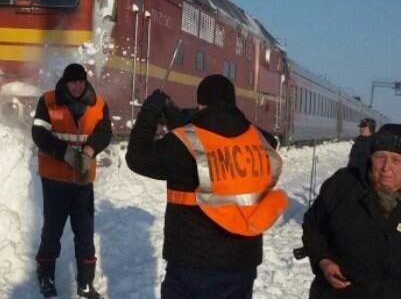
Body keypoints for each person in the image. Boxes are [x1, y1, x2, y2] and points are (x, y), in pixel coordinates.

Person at [126, 74, 286, 299]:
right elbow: (223, 129)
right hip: (243, 263)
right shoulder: (260, 139)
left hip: (192, 262)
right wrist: (187, 117)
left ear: (201, 104)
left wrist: (149, 114)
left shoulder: (181, 143)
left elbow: (137, 158)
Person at [302, 124, 401, 297]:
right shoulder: (343, 185)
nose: (386, 167)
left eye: (396, 160)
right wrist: (323, 260)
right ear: (371, 158)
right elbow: (313, 227)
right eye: (380, 157)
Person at [32, 63, 112, 298]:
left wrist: (88, 151)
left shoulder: (99, 104)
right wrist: (65, 152)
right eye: (73, 82)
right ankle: (46, 275)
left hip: (83, 181)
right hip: (55, 180)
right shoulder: (48, 101)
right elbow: (39, 133)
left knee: (85, 233)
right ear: (65, 83)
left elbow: (105, 132)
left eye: (81, 82)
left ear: (85, 82)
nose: (77, 86)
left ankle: (86, 282)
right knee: (52, 231)